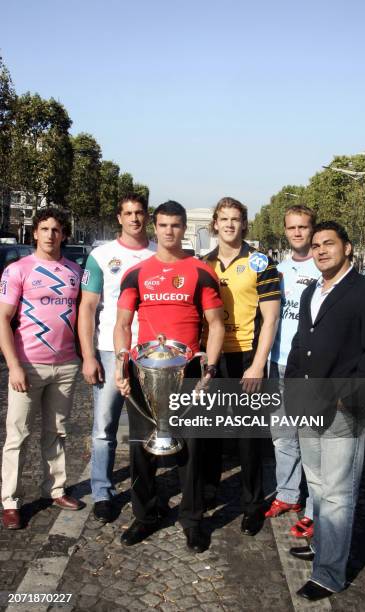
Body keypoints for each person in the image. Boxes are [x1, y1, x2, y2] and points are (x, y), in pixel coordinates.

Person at [286, 221, 365, 601]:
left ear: (348, 248)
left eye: (328, 244)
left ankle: (329, 574)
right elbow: (301, 344)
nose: (320, 250)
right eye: (315, 245)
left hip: (343, 409)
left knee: (337, 492)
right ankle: (322, 548)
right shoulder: (310, 292)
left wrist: (344, 397)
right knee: (316, 486)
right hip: (308, 405)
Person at [114, 200, 224, 552]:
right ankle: (144, 515)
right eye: (163, 225)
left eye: (176, 225)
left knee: (191, 448)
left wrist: (210, 368)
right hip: (145, 370)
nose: (169, 231)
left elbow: (217, 324)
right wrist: (121, 365)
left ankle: (192, 521)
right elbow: (121, 325)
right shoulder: (136, 273)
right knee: (140, 450)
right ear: (154, 227)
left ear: (183, 227)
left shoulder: (200, 271)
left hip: (188, 372)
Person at [0, 207, 83, 530]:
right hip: (28, 365)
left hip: (65, 365)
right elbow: (3, 320)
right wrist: (14, 366)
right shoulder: (17, 270)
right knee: (17, 435)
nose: (51, 234)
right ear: (35, 233)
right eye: (45, 228)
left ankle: (56, 488)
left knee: (57, 432)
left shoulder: (75, 270)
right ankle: (10, 500)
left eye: (57, 229)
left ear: (64, 235)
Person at [202, 197, 280, 536]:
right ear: (215, 224)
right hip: (214, 358)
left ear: (244, 224)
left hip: (248, 357)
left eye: (236, 219)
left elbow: (272, 317)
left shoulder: (261, 262)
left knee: (249, 437)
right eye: (224, 219)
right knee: (212, 434)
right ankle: (208, 493)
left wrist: (259, 364)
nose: (230, 225)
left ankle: (252, 505)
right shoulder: (202, 264)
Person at [78, 194, 156, 524]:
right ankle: (102, 491)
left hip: (151, 353)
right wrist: (88, 356)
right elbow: (86, 308)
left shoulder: (158, 255)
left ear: (147, 216)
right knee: (104, 426)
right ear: (119, 217)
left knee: (150, 428)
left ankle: (146, 491)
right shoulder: (100, 256)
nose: (135, 218)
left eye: (140, 213)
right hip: (111, 351)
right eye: (128, 213)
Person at [265, 205, 319, 539]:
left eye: (303, 227)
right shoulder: (276, 269)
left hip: (310, 369)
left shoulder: (325, 265)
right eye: (292, 228)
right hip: (277, 362)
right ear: (284, 231)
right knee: (283, 437)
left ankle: (315, 508)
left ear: (312, 229)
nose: (297, 233)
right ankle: (288, 495)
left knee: (312, 441)